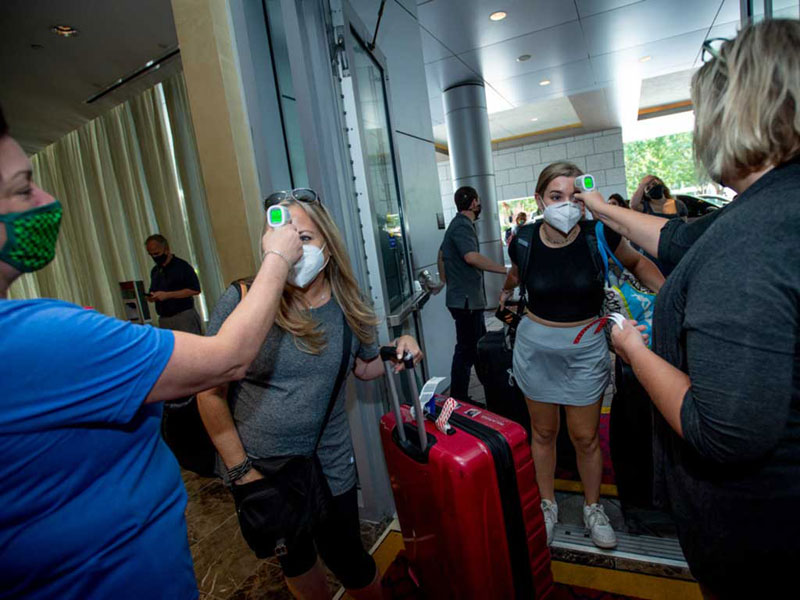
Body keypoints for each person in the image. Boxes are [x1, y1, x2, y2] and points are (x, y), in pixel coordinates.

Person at [0, 105, 303, 598]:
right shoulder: (34, 338)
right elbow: (229, 358)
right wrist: (277, 257)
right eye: (21, 188)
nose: (46, 198)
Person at [576, 20, 800, 597]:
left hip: (764, 542)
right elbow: (678, 239)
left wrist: (633, 348)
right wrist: (605, 210)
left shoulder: (753, 243)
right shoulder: (776, 206)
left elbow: (721, 430)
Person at [198, 189, 423, 600]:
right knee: (297, 561)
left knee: (349, 559)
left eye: (304, 239)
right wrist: (242, 473)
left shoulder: (348, 306)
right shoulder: (242, 300)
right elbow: (209, 393)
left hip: (329, 461)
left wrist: (399, 345)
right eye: (282, 238)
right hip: (264, 470)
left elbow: (363, 367)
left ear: (329, 247)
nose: (292, 250)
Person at [499, 162, 664, 550]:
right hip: (535, 349)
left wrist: (672, 292)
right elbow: (516, 276)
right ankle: (547, 504)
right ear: (539, 200)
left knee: (586, 437)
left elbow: (638, 262)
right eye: (556, 197)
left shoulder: (598, 234)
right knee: (543, 434)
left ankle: (593, 508)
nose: (566, 205)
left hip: (585, 349)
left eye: (575, 197)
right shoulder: (522, 239)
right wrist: (504, 296)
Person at [437, 186, 506, 402]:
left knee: (477, 346)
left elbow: (441, 254)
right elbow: (471, 257)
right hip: (466, 301)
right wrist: (505, 270)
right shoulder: (462, 226)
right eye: (478, 200)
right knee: (466, 350)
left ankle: (490, 388)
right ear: (474, 202)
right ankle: (459, 398)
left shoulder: (458, 225)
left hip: (466, 299)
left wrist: (446, 279)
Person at [145, 233, 203, 333]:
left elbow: (195, 289)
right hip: (164, 318)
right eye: (151, 255)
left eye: (157, 254)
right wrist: (152, 297)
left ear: (166, 250)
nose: (154, 257)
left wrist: (168, 295)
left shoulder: (182, 266)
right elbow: (153, 290)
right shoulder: (155, 271)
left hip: (183, 316)